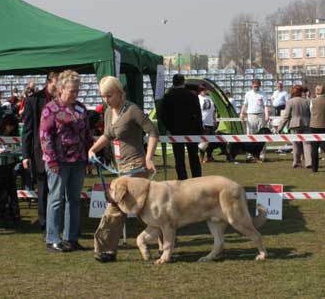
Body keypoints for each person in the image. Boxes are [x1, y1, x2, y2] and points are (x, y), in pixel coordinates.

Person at [89, 76, 159, 262]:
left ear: (120, 93)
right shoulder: (108, 113)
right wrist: (93, 149)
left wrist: (148, 157)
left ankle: (164, 243)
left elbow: (152, 132)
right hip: (120, 169)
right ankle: (106, 250)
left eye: (109, 95)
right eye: (103, 96)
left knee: (139, 210)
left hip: (136, 168)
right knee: (121, 208)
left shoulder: (132, 110)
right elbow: (107, 135)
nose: (106, 100)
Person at [40, 70, 93, 253]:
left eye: (77, 91)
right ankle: (53, 238)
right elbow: (45, 136)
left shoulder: (81, 108)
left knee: (74, 200)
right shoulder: (50, 109)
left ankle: (71, 238)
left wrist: (89, 157)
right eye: (72, 91)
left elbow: (87, 134)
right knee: (56, 199)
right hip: (58, 162)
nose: (75, 94)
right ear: (61, 89)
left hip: (78, 160)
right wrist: (51, 160)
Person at [22, 72, 59, 232]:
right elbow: (27, 130)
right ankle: (44, 224)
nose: (59, 89)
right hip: (40, 153)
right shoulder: (33, 100)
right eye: (56, 85)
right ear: (48, 82)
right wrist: (25, 155)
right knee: (43, 189)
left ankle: (57, 222)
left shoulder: (62, 100)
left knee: (58, 190)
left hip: (60, 152)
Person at [158, 74, 203, 177]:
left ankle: (182, 179)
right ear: (183, 82)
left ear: (173, 83)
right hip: (191, 131)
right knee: (194, 157)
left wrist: (169, 128)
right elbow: (198, 115)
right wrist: (200, 131)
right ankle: (196, 179)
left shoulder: (168, 96)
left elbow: (163, 115)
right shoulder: (192, 95)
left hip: (176, 131)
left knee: (179, 158)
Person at [277, 85, 312, 168]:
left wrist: (280, 128)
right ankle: (309, 162)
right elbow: (310, 114)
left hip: (294, 124)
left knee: (296, 144)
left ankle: (297, 162)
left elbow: (286, 116)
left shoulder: (290, 102)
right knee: (307, 144)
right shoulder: (307, 101)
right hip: (306, 124)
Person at [239, 79, 269, 161]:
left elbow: (266, 105)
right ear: (252, 85)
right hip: (250, 115)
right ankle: (249, 155)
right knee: (250, 136)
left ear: (260, 85)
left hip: (261, 116)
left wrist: (267, 115)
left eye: (257, 86)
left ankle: (262, 155)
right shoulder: (248, 94)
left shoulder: (263, 94)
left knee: (262, 137)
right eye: (255, 86)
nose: (256, 87)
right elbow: (244, 104)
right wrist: (242, 113)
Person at [310, 85, 325, 173]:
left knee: (314, 149)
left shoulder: (312, 101)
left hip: (314, 126)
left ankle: (314, 168)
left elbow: (311, 111)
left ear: (316, 91)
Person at [198, 84, 218, 163]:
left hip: (210, 123)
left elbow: (213, 111)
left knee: (210, 142)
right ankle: (201, 158)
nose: (204, 91)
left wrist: (214, 120)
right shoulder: (198, 98)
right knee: (203, 142)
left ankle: (209, 157)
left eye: (205, 89)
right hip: (203, 123)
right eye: (202, 89)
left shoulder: (210, 98)